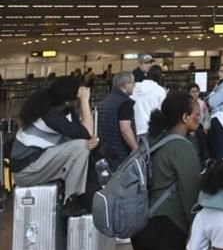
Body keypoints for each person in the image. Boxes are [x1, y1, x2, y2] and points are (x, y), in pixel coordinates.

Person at [131, 90, 202, 250]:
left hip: (142, 221)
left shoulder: (153, 140)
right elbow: (190, 193)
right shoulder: (182, 147)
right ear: (185, 117)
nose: (199, 120)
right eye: (197, 115)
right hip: (168, 225)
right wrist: (197, 229)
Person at [10, 76, 98, 212]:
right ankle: (71, 200)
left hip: (35, 164)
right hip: (25, 172)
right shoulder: (49, 116)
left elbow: (83, 133)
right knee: (81, 147)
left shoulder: (58, 111)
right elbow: (87, 132)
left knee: (82, 144)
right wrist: (85, 101)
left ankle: (78, 196)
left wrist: (92, 140)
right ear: (69, 100)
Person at [97, 71, 138, 169]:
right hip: (121, 151)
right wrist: (136, 149)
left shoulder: (105, 101)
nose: (134, 86)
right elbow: (125, 130)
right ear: (125, 85)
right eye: (133, 83)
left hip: (105, 150)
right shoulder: (125, 103)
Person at [133, 65, 167, 137]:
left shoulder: (134, 87)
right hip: (151, 129)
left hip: (134, 128)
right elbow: (163, 111)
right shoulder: (160, 90)